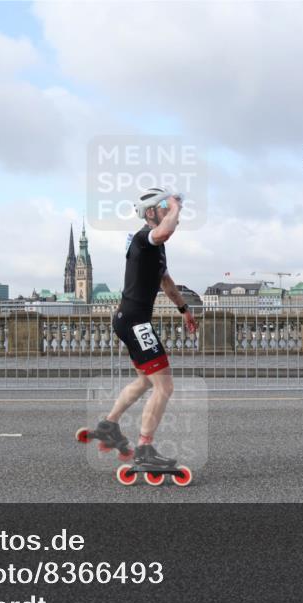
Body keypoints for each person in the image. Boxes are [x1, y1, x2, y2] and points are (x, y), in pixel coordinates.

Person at [89, 187, 198, 471]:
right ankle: (144, 449)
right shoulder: (144, 238)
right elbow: (163, 232)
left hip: (130, 319)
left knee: (146, 381)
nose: (171, 212)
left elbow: (166, 283)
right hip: (136, 322)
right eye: (163, 207)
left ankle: (108, 426)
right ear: (150, 213)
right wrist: (174, 208)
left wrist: (184, 310)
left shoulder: (156, 248)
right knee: (165, 386)